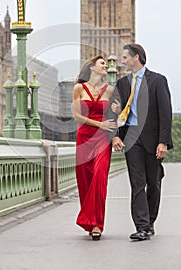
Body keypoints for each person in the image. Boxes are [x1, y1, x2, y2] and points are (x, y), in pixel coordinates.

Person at [112, 44, 173, 241]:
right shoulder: (122, 83)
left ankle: (150, 221)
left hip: (152, 138)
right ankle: (142, 226)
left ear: (136, 57)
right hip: (130, 138)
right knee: (137, 183)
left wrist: (163, 141)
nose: (122, 61)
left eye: (125, 57)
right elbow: (113, 113)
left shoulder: (157, 80)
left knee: (153, 183)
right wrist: (115, 135)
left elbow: (165, 113)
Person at [73, 55, 118, 241]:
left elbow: (121, 111)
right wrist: (99, 124)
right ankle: (89, 222)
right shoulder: (79, 88)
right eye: (102, 64)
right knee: (86, 181)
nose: (106, 66)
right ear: (92, 67)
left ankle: (97, 224)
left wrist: (117, 110)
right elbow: (77, 116)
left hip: (102, 140)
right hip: (84, 138)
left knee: (100, 178)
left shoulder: (110, 90)